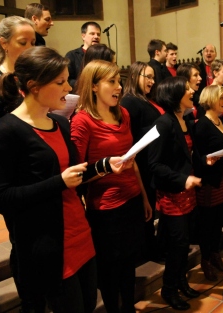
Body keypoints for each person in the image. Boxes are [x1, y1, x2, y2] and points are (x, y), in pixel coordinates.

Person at [0, 46, 131, 313]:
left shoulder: (60, 123)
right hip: (50, 244)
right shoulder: (7, 130)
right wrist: (58, 183)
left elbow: (75, 173)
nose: (69, 87)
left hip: (81, 235)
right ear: (35, 86)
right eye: (61, 82)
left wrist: (104, 166)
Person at [71, 60, 152, 313]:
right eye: (112, 82)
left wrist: (145, 198)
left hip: (132, 199)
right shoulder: (82, 120)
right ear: (94, 86)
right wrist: (105, 166)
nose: (119, 87)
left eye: (119, 81)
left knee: (129, 264)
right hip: (106, 208)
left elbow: (132, 158)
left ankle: (128, 307)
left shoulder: (122, 113)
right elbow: (76, 174)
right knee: (110, 269)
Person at [147, 76, 201, 311]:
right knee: (178, 244)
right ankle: (169, 289)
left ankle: (181, 281)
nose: (191, 91)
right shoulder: (164, 123)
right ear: (174, 95)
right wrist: (183, 178)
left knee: (184, 242)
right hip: (171, 193)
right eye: (186, 89)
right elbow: (154, 164)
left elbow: (187, 154)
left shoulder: (184, 119)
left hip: (186, 191)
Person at [121, 61, 164, 261]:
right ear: (135, 76)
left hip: (150, 159)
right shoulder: (130, 101)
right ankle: (146, 250)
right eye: (147, 76)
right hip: (142, 161)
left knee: (149, 206)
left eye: (153, 77)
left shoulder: (145, 100)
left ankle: (150, 247)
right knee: (144, 208)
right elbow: (131, 134)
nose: (151, 81)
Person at [192, 85, 223, 281]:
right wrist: (213, 161)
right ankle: (206, 260)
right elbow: (198, 157)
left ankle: (215, 255)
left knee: (218, 222)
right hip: (209, 182)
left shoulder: (220, 120)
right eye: (222, 97)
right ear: (211, 100)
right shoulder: (202, 124)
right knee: (208, 225)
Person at [0, 16, 35, 145]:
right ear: (4, 43)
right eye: (23, 43)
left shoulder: (34, 77)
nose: (30, 48)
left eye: (32, 43)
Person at [65, 21, 102, 88]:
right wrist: (86, 84)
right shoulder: (72, 55)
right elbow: (67, 79)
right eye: (92, 34)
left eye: (98, 34)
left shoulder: (103, 55)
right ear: (83, 36)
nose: (96, 37)